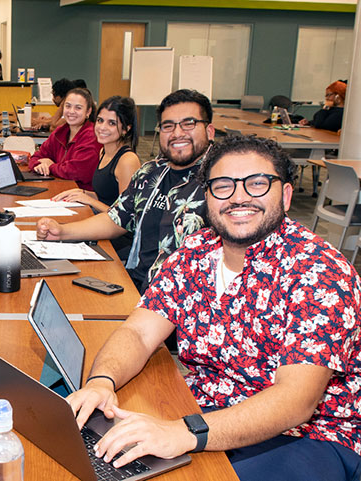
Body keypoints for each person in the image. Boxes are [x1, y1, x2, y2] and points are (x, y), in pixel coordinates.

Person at [67, 135, 361, 481]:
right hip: (206, 409)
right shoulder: (195, 251)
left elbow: (296, 401)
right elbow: (138, 332)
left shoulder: (319, 271)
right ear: (206, 198)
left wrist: (183, 433)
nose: (239, 197)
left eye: (256, 183)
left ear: (285, 194)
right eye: (223, 186)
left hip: (309, 437)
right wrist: (102, 381)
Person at [36, 89, 214, 293]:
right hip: (138, 283)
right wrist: (62, 231)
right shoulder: (151, 172)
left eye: (188, 124)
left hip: (182, 300)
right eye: (168, 126)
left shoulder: (220, 184)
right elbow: (118, 217)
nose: (177, 133)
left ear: (209, 131)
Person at [52, 95, 141, 213]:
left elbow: (126, 215)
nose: (102, 128)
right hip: (103, 219)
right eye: (100, 120)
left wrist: (89, 200)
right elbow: (106, 198)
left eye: (112, 123)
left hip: (116, 228)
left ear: (126, 129)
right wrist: (82, 193)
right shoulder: (103, 152)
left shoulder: (127, 161)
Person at [27, 88, 102, 190]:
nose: (71, 111)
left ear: (88, 112)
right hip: (59, 189)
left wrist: (50, 166)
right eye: (68, 106)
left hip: (82, 196)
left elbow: (76, 171)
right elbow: (36, 157)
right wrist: (38, 165)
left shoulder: (92, 136)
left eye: (78, 108)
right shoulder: (60, 132)